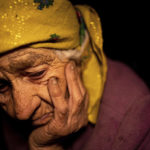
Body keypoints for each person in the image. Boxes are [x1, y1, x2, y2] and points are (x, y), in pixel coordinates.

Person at [0, 0, 150, 150]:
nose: (22, 112)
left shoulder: (134, 115)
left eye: (37, 74)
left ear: (77, 58)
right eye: (2, 85)